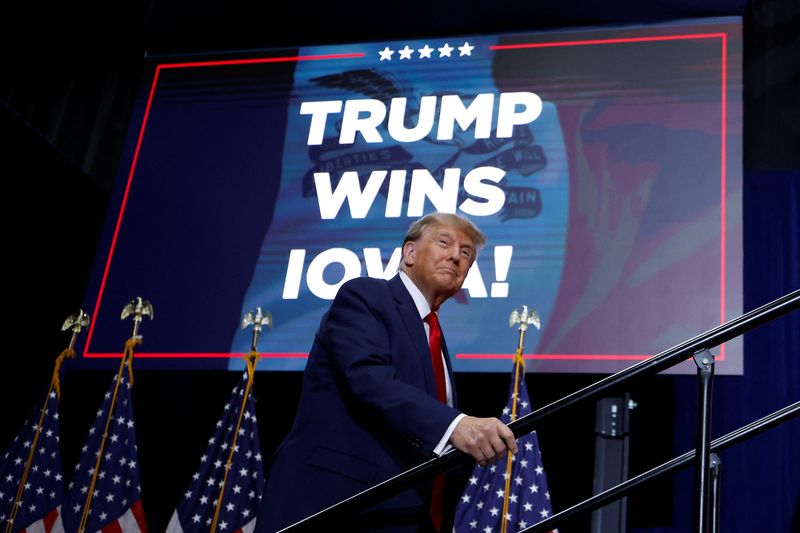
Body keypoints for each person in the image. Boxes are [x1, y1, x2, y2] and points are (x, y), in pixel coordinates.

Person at [255, 212, 517, 532]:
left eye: (466, 253)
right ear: (409, 253)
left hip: (402, 513)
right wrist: (455, 425)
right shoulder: (366, 296)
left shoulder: (433, 334)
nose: (455, 256)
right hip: (339, 504)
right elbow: (367, 378)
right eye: (444, 243)